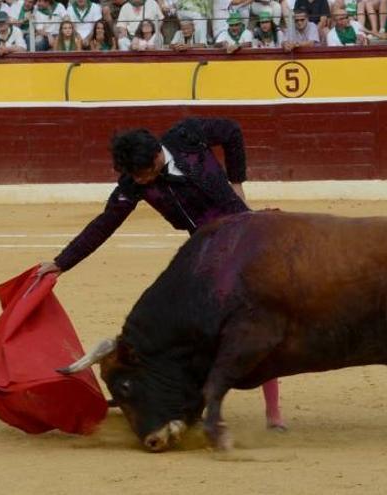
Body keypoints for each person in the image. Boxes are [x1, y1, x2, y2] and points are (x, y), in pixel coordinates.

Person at [37, 117, 286, 432]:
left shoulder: (188, 135)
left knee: (255, 318)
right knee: (206, 325)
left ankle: (274, 415)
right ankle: (186, 400)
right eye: (134, 177)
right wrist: (62, 262)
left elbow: (232, 131)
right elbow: (104, 224)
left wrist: (237, 184)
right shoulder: (133, 183)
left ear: (157, 156)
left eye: (144, 175)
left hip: (245, 237)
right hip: (207, 253)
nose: (140, 183)